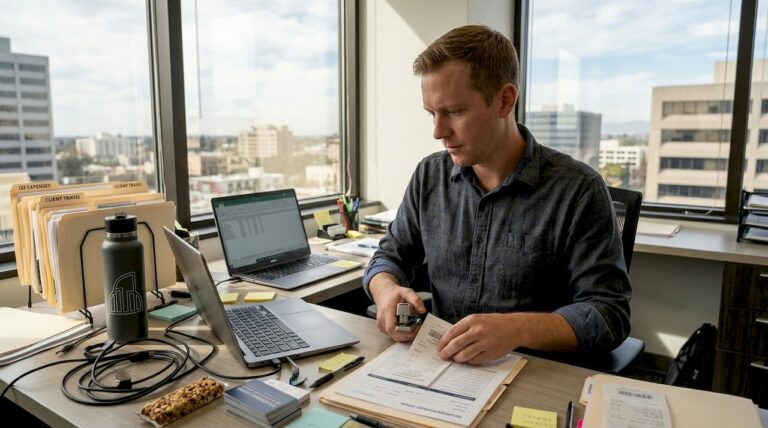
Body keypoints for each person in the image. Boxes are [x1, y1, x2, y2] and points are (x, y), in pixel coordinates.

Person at [363, 25, 631, 365]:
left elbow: (609, 316)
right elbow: (388, 257)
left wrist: (516, 329)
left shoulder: (578, 191)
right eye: (432, 113)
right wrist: (386, 290)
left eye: (455, 112)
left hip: (535, 373)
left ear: (504, 100)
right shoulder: (430, 176)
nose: (438, 132)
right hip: (442, 368)